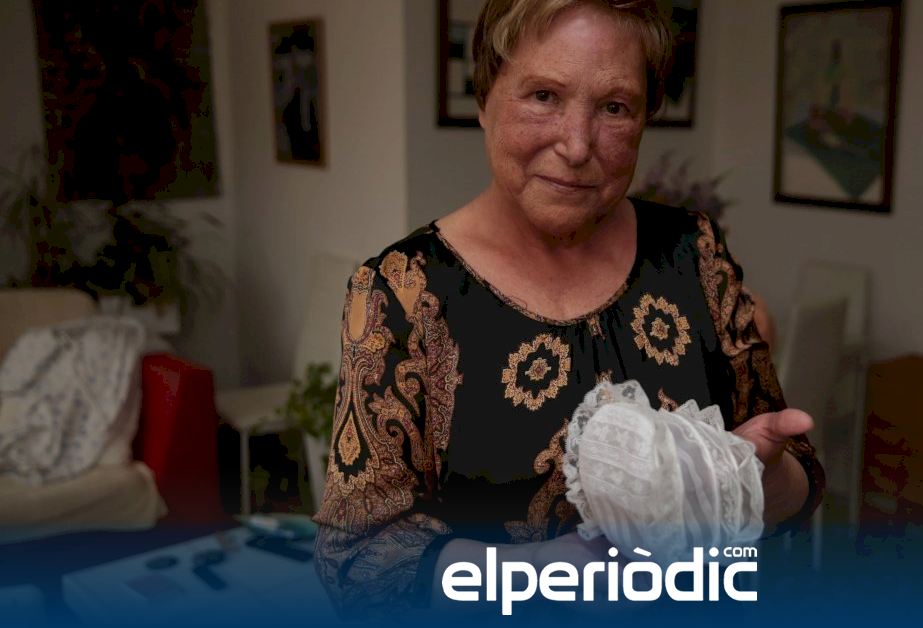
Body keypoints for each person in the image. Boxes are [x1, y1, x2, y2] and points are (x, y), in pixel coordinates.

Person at [312, 0, 825, 618]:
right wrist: (543, 572)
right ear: (484, 97)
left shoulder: (695, 252)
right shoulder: (402, 292)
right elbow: (356, 558)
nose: (577, 145)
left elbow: (797, 479)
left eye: (614, 107)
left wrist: (751, 483)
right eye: (544, 96)